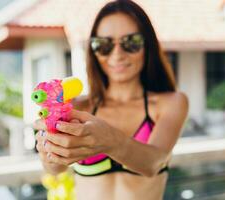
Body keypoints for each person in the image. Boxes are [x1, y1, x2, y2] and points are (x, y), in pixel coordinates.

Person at [34, 0, 188, 199]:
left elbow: (153, 163)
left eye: (130, 42)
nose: (117, 54)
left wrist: (111, 141)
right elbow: (56, 170)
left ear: (148, 45)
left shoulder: (171, 102)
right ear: (94, 50)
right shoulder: (80, 105)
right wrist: (50, 148)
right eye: (104, 45)